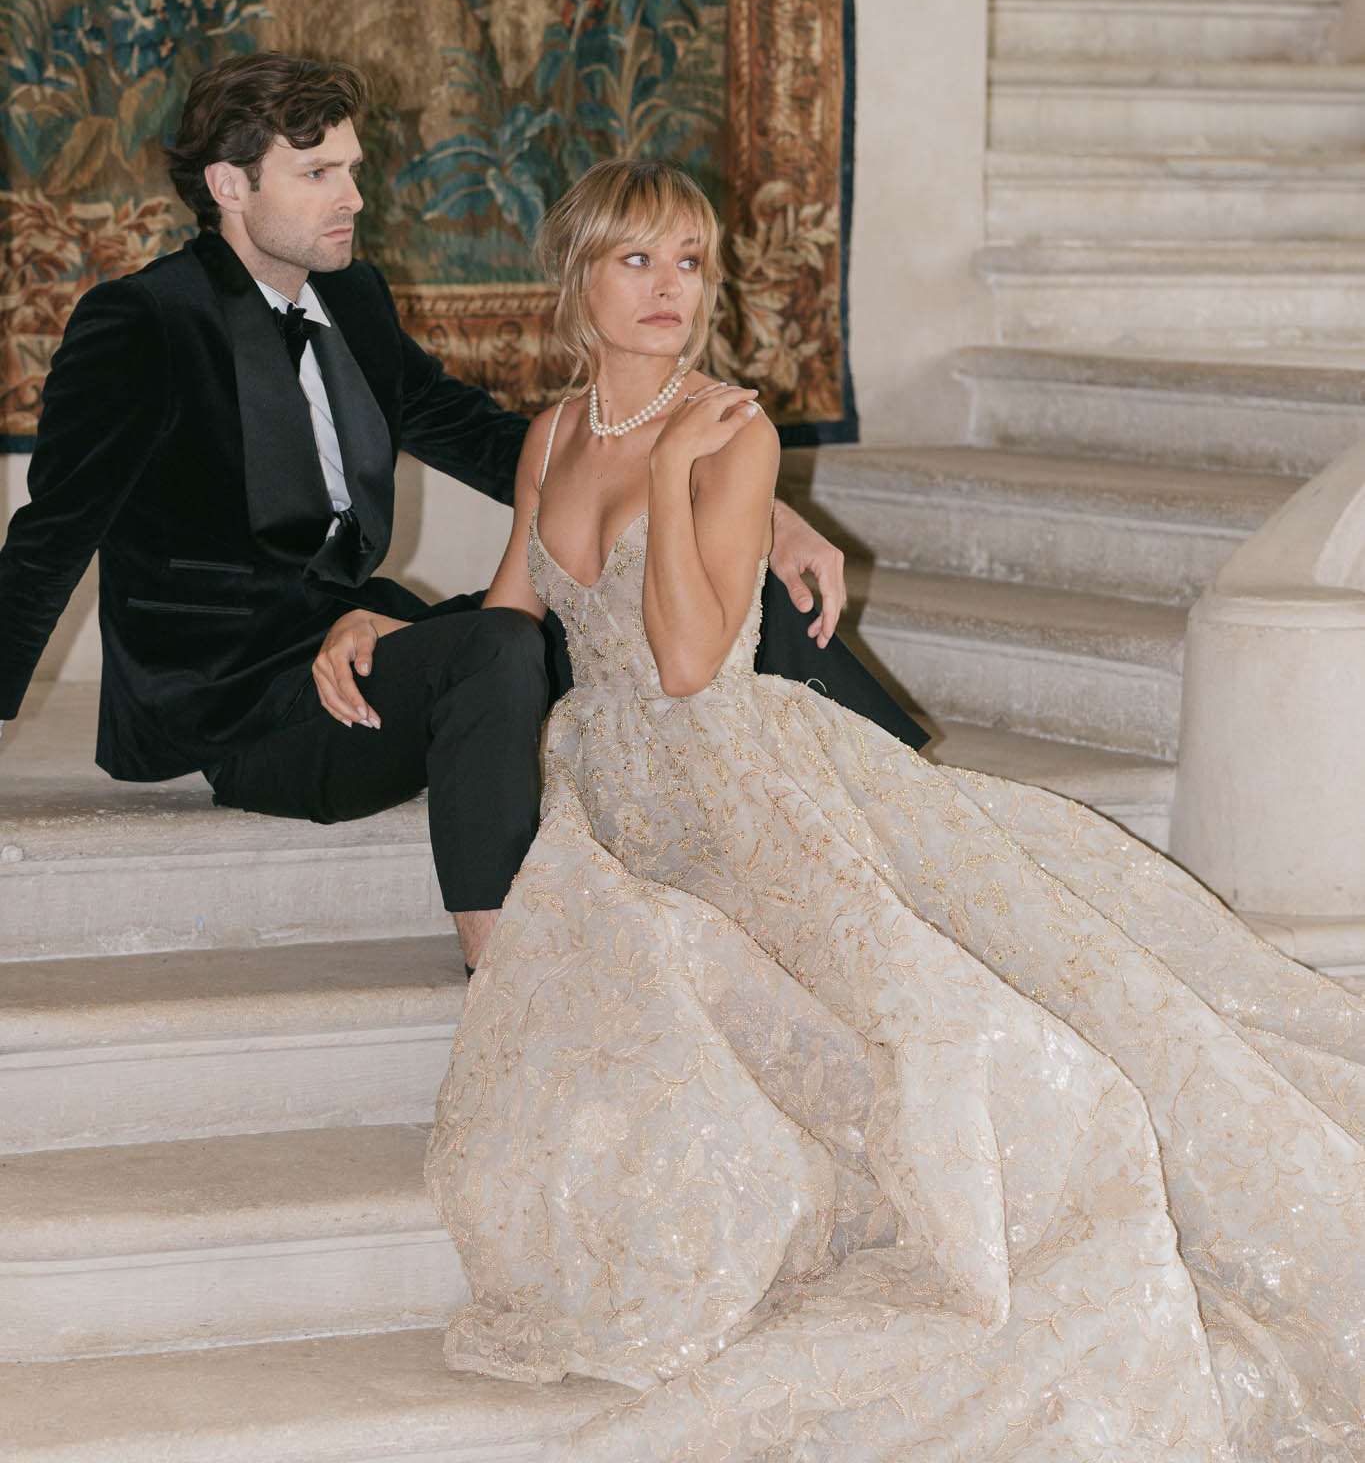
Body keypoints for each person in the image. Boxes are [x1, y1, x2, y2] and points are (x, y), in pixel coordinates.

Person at [425, 157, 1365, 1462]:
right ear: (575, 275)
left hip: (737, 782)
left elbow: (693, 661)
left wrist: (686, 485)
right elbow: (514, 612)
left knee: (950, 1020)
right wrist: (370, 626)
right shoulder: (550, 431)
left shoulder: (732, 434)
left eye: (691, 262)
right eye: (636, 260)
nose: (668, 291)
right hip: (615, 793)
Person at [0, 52, 926, 970]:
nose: (353, 197)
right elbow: (51, 536)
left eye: (352, 170)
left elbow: (495, 443)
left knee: (664, 589)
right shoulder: (141, 322)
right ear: (227, 186)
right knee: (500, 643)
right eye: (318, 173)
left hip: (360, 642)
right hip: (242, 705)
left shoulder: (351, 296)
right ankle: (501, 959)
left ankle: (875, 787)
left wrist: (758, 509)